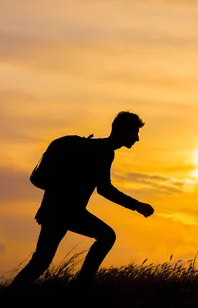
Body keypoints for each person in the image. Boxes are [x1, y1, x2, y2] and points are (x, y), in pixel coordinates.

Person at [11, 111, 155, 287]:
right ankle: (82, 285)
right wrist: (136, 205)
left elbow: (99, 188)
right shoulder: (103, 152)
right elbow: (105, 190)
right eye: (135, 133)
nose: (137, 138)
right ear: (124, 131)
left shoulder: (97, 149)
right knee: (106, 237)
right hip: (66, 212)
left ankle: (11, 295)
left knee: (40, 262)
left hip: (56, 210)